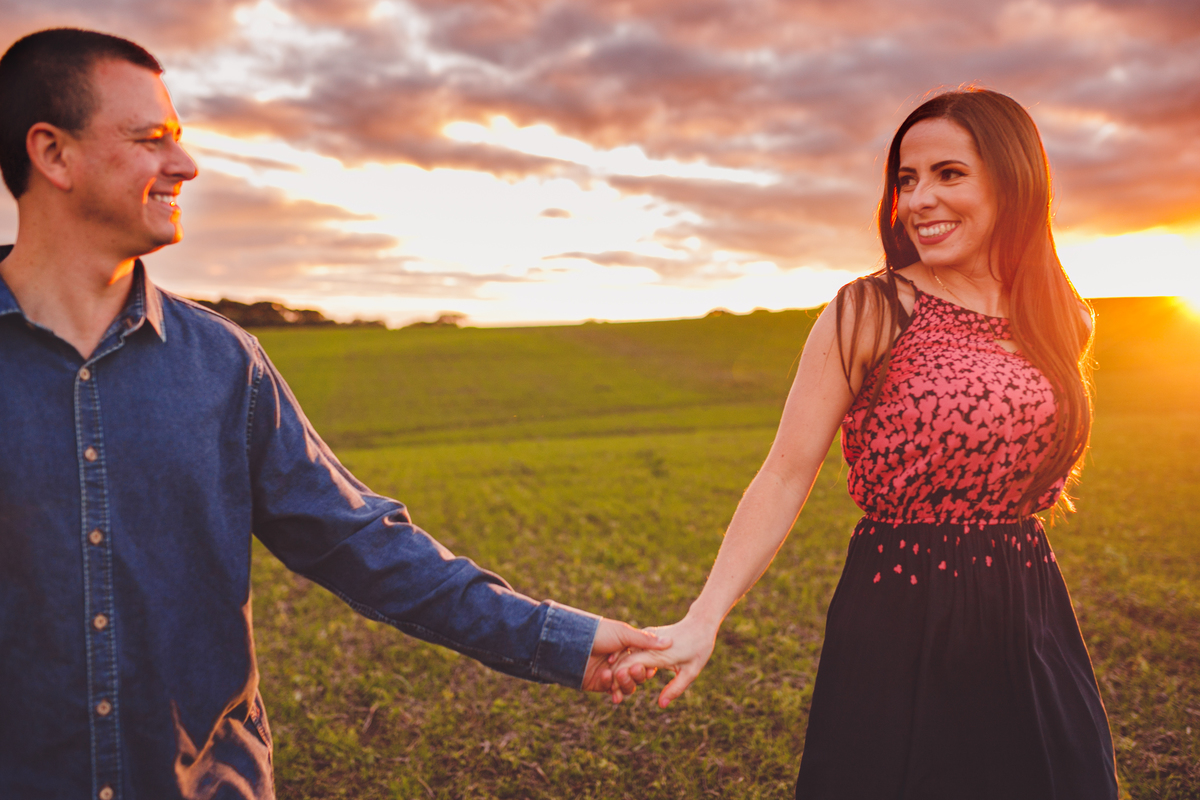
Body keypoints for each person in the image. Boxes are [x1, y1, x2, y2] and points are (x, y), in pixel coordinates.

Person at [0, 28, 662, 800]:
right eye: (151, 140)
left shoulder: (224, 365)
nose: (186, 165)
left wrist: (557, 640)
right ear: (52, 154)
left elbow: (362, 545)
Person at [614, 88, 1119, 798]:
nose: (918, 201)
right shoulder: (871, 310)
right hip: (900, 612)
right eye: (906, 180)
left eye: (949, 174)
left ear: (1014, 180)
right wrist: (705, 616)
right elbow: (786, 473)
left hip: (1028, 606)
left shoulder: (1061, 318)